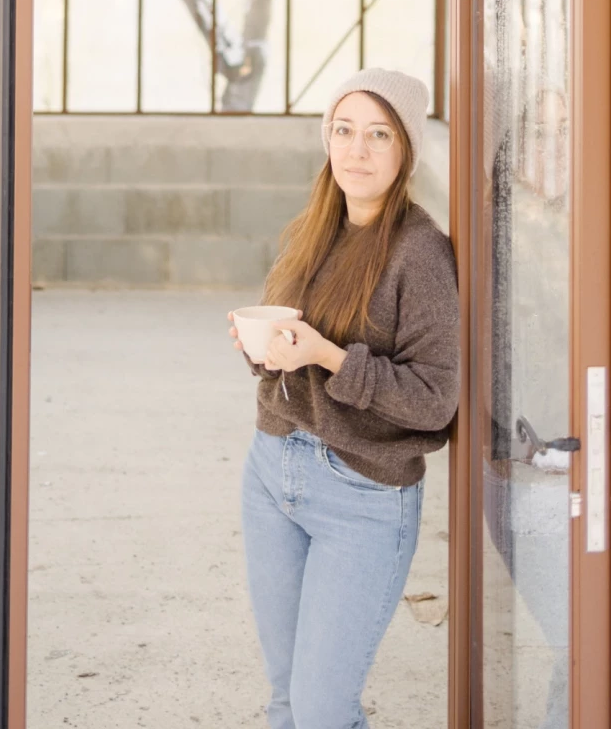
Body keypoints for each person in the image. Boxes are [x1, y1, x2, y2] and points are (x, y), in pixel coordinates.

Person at [227, 68, 460, 729]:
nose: (356, 150)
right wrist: (262, 349)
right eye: (344, 130)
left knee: (323, 710)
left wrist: (326, 357)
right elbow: (289, 359)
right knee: (285, 700)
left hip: (362, 497)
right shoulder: (315, 229)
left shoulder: (422, 253)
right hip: (272, 471)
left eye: (378, 134)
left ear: (406, 149)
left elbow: (435, 401)